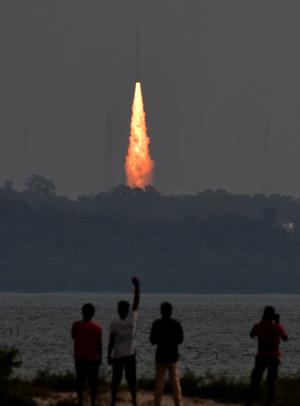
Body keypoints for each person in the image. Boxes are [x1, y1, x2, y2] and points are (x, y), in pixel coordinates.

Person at [245, 306, 288, 406]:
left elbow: (251, 335)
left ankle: (250, 401)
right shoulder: (277, 327)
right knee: (271, 381)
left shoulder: (258, 326)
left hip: (261, 356)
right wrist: (277, 323)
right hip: (273, 356)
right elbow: (285, 338)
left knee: (256, 379)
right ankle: (269, 402)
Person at [108, 277, 140, 406]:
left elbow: (111, 341)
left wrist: (108, 355)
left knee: (116, 380)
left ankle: (113, 401)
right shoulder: (132, 320)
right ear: (127, 311)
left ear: (118, 310)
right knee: (131, 380)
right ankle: (134, 401)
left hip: (117, 356)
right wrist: (137, 287)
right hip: (130, 355)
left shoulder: (114, 323)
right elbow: (136, 303)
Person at [149, 302, 184, 406]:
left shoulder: (157, 324)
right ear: (171, 311)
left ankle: (157, 403)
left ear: (161, 311)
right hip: (173, 357)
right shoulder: (176, 324)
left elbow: (152, 340)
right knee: (175, 383)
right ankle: (178, 403)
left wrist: (160, 339)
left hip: (160, 357)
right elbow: (180, 340)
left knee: (159, 383)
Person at [72, 303, 103, 406]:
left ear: (82, 312)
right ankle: (93, 402)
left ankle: (80, 401)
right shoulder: (98, 328)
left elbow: (73, 336)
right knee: (93, 382)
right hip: (93, 359)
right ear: (93, 313)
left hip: (80, 358)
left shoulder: (76, 325)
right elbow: (99, 345)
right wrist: (100, 359)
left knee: (80, 380)